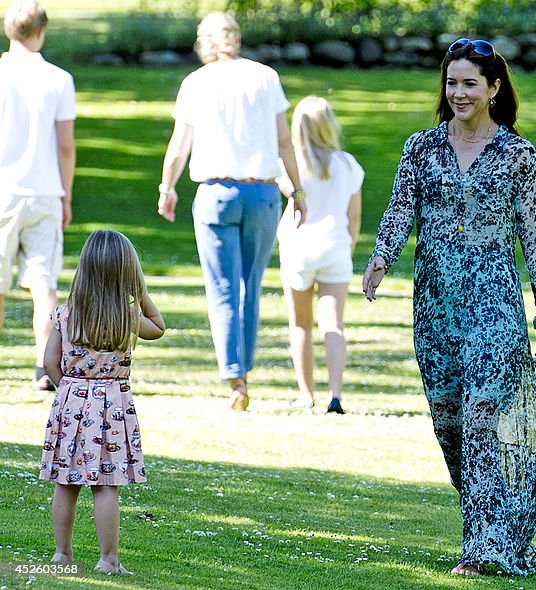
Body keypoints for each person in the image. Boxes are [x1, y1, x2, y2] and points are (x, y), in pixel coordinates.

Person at [363, 37, 536, 576]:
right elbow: (401, 208)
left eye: (471, 83)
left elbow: (534, 235)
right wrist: (382, 258)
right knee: (450, 422)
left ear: (494, 88)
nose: (459, 92)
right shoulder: (421, 147)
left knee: (481, 418)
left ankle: (484, 548)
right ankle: (501, 524)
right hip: (436, 301)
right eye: (452, 82)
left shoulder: (518, 155)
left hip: (494, 298)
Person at [157, 12, 306, 411]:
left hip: (216, 192)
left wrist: (167, 187)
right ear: (235, 39)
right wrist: (299, 189)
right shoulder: (265, 76)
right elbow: (283, 141)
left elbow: (179, 144)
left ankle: (235, 378)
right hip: (262, 194)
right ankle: (244, 373)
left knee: (222, 288)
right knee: (250, 286)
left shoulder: (196, 82)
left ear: (204, 42)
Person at [39, 229, 165, 575]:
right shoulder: (126, 318)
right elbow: (159, 327)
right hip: (111, 405)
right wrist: (139, 293)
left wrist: (68, 389)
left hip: (71, 400)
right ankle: (108, 560)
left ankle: (62, 555)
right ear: (127, 275)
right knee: (105, 484)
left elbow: (50, 362)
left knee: (66, 481)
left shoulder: (65, 314)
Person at [0, 0, 76, 392]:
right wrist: (66, 194)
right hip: (45, 188)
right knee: (44, 284)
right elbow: (65, 145)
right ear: (42, 31)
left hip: (3, 190)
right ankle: (44, 366)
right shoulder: (58, 78)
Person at [276, 96, 363, 413]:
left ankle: (305, 394)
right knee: (334, 323)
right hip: (335, 248)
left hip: (299, 247)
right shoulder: (347, 164)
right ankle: (336, 395)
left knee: (300, 324)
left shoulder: (290, 166)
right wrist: (348, 247)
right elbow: (354, 217)